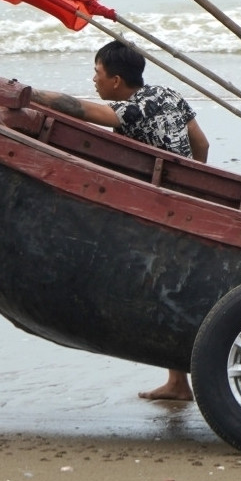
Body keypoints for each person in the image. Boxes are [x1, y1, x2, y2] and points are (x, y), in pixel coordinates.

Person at [31, 39, 210, 401]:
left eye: (97, 73)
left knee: (164, 288)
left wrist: (27, 95)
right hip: (185, 201)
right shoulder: (169, 94)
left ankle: (179, 381)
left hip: (163, 211)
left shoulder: (134, 109)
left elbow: (85, 113)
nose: (94, 79)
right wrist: (194, 183)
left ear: (115, 80)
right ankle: (177, 382)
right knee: (170, 285)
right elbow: (201, 144)